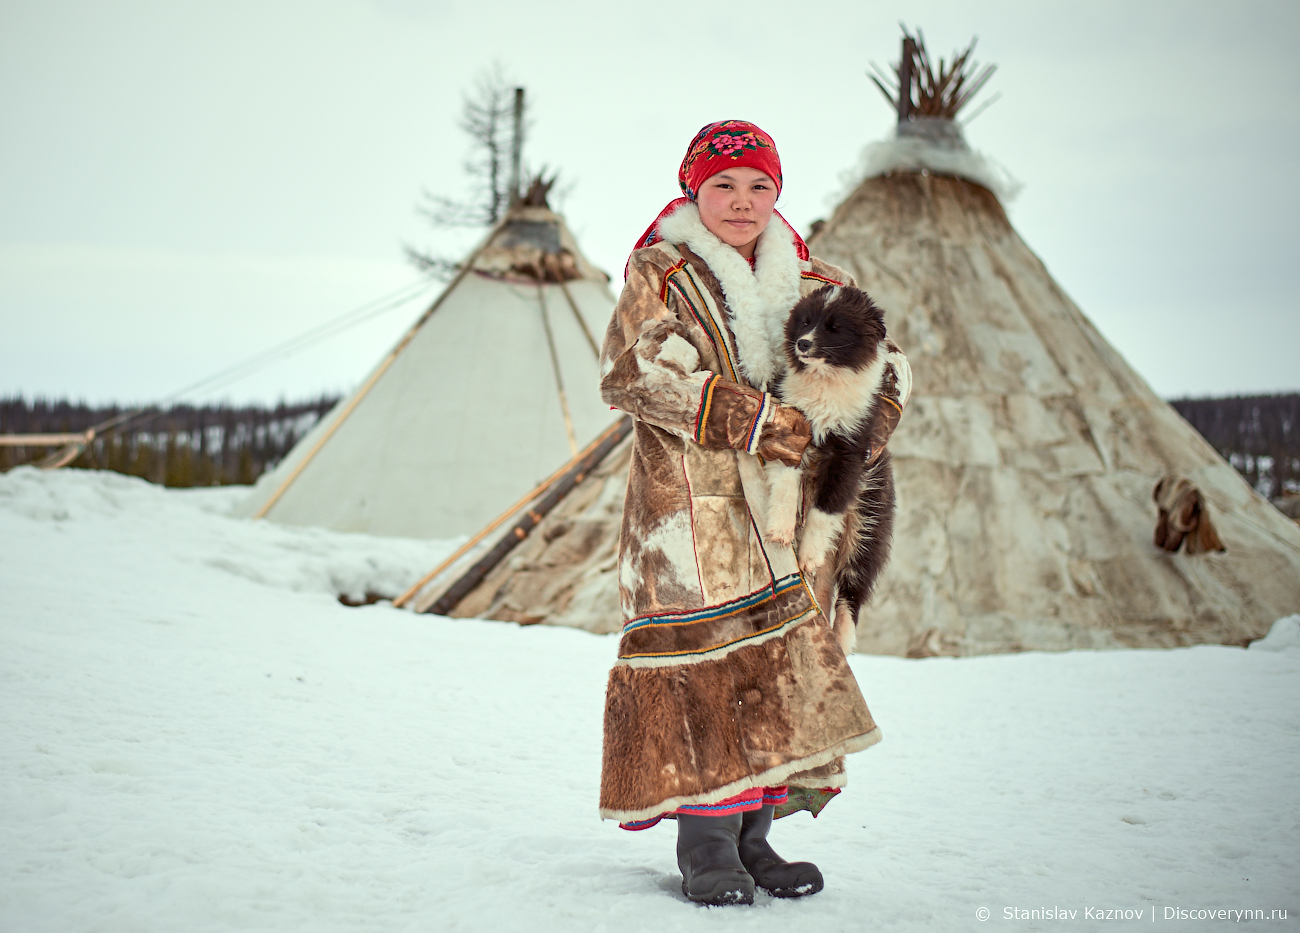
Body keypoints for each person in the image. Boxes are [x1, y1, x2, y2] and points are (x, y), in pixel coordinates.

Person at [597, 120, 906, 905]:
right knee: (705, 671)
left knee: (777, 671)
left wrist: (876, 420)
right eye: (723, 187)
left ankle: (756, 839)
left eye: (759, 186)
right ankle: (706, 847)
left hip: (791, 516)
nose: (742, 202)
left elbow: (890, 362)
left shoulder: (816, 277)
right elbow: (633, 374)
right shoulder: (659, 272)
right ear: (694, 191)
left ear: (778, 192)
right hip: (689, 513)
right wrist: (755, 420)